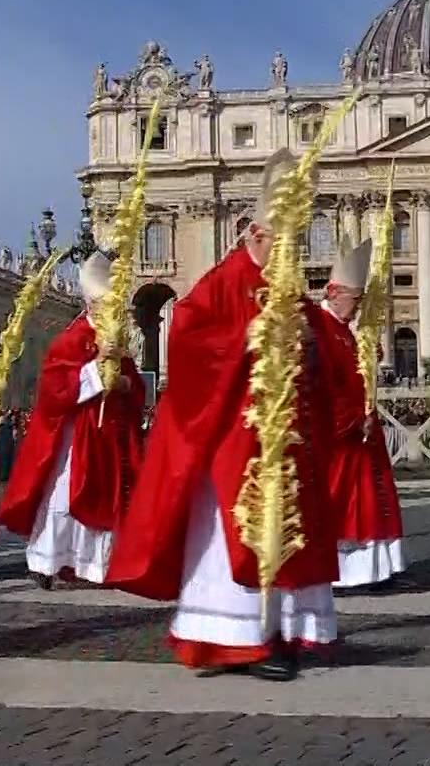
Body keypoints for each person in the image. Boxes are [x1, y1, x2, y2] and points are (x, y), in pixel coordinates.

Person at [109, 150, 338, 681]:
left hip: (284, 439)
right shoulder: (224, 281)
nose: (288, 254)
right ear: (255, 234)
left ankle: (280, 629)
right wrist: (248, 340)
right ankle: (236, 638)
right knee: (234, 533)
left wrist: (309, 344)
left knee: (287, 530)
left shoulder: (288, 288)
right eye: (280, 243)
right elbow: (188, 338)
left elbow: (320, 348)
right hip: (235, 438)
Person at [0, 253, 145, 589]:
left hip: (107, 438)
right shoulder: (72, 339)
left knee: (104, 498)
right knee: (63, 500)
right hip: (76, 438)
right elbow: (54, 388)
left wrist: (124, 383)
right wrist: (95, 372)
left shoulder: (119, 342)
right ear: (91, 305)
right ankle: (46, 561)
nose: (112, 313)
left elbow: (134, 385)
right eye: (106, 306)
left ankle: (94, 566)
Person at [316, 239, 406, 590]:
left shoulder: (342, 329)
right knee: (346, 503)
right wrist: (354, 419)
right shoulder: (320, 328)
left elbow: (354, 375)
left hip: (361, 429)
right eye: (355, 300)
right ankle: (346, 573)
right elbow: (324, 384)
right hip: (340, 434)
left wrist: (368, 358)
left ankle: (378, 568)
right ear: (334, 292)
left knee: (373, 498)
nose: (357, 309)